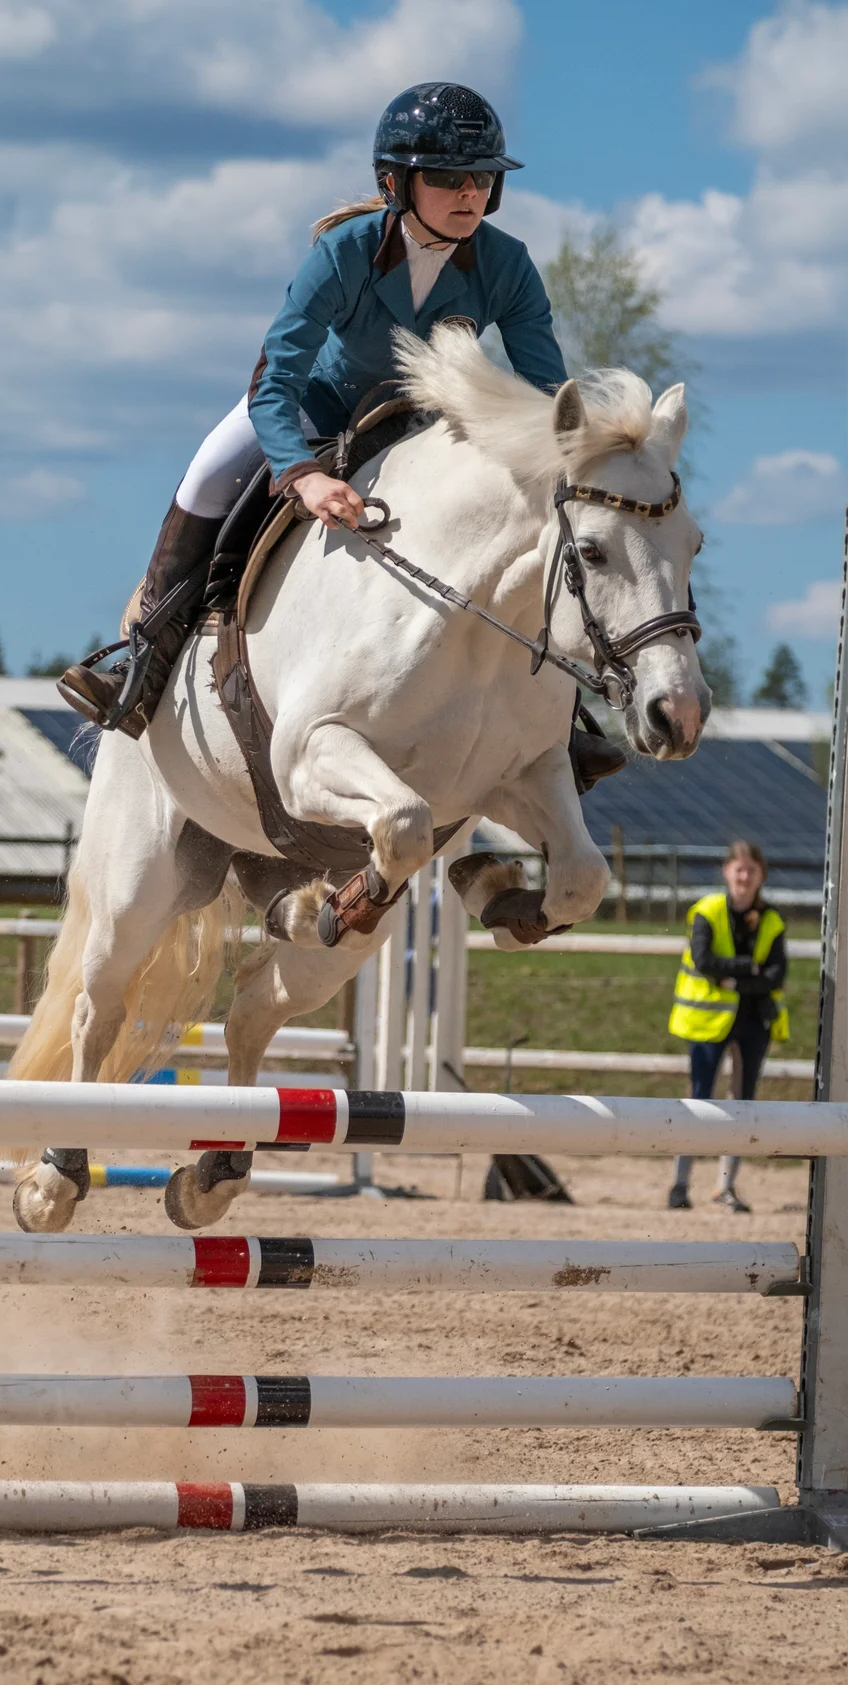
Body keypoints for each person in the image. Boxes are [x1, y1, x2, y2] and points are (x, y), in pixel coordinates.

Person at [59, 80, 617, 789]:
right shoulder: (344, 253)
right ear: (396, 183)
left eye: (481, 178)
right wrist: (301, 472)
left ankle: (559, 721)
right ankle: (139, 660)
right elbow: (275, 381)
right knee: (207, 474)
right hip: (314, 407)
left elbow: (545, 396)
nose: (470, 193)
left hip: (423, 428)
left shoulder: (507, 265)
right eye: (448, 177)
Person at [666, 841, 790, 1213]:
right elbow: (705, 961)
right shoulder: (706, 911)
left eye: (751, 869)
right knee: (698, 1099)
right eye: (739, 868)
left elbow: (776, 974)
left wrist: (735, 979)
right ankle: (680, 1184)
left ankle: (726, 1187)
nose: (744, 876)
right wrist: (749, 969)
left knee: (744, 1102)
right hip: (708, 1021)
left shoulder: (772, 919)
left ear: (760, 876)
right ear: (726, 871)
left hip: (753, 1022)